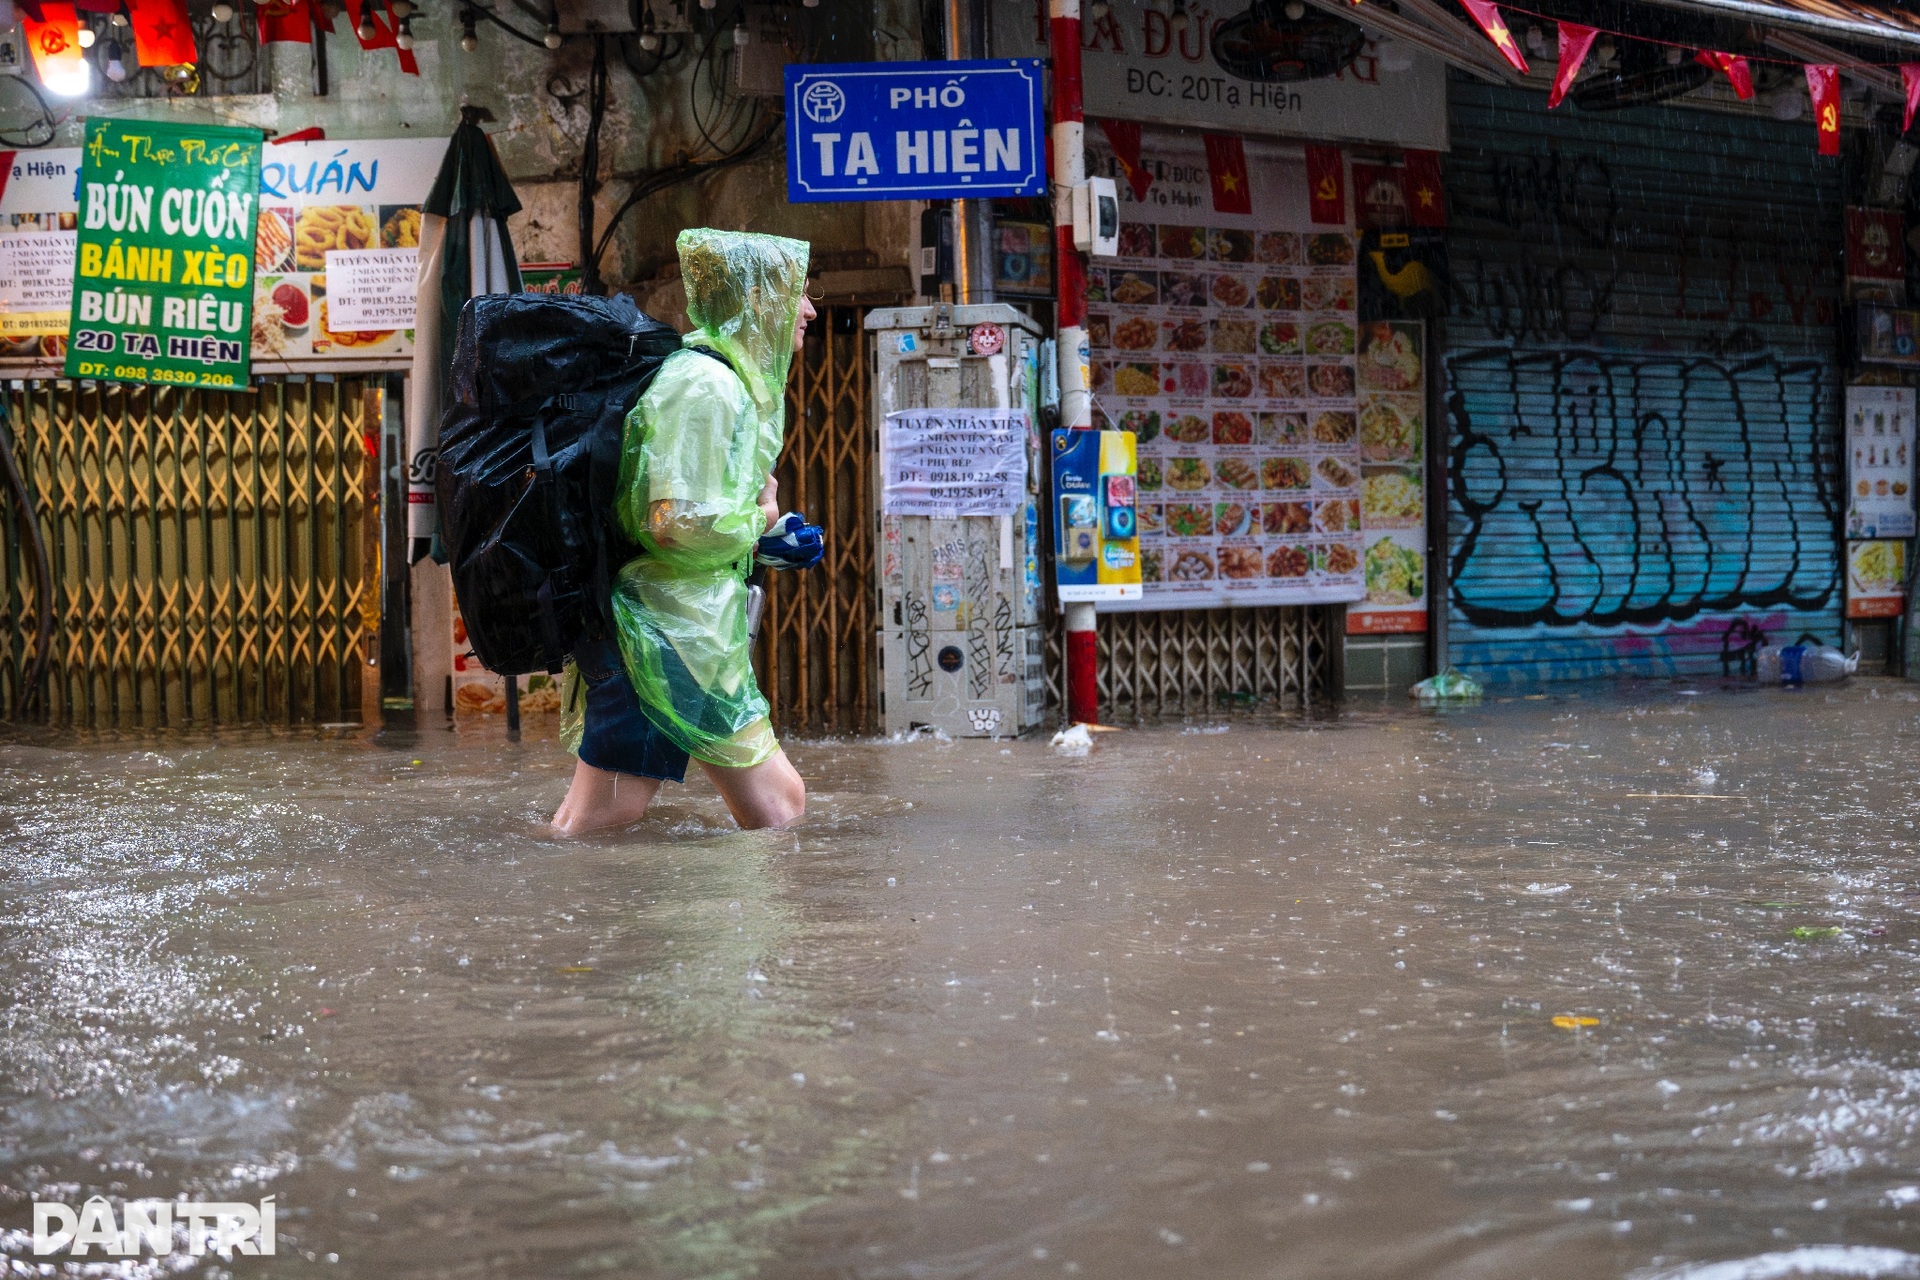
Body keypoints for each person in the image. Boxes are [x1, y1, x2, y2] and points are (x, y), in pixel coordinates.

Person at [552, 228, 821, 835]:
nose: (808, 310)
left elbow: (681, 519)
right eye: (799, 294)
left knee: (775, 805)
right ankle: (550, 920)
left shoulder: (728, 383)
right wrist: (760, 522)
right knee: (608, 814)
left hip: (690, 632)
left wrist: (764, 546)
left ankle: (740, 925)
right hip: (659, 634)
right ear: (759, 299)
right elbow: (669, 524)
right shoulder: (707, 386)